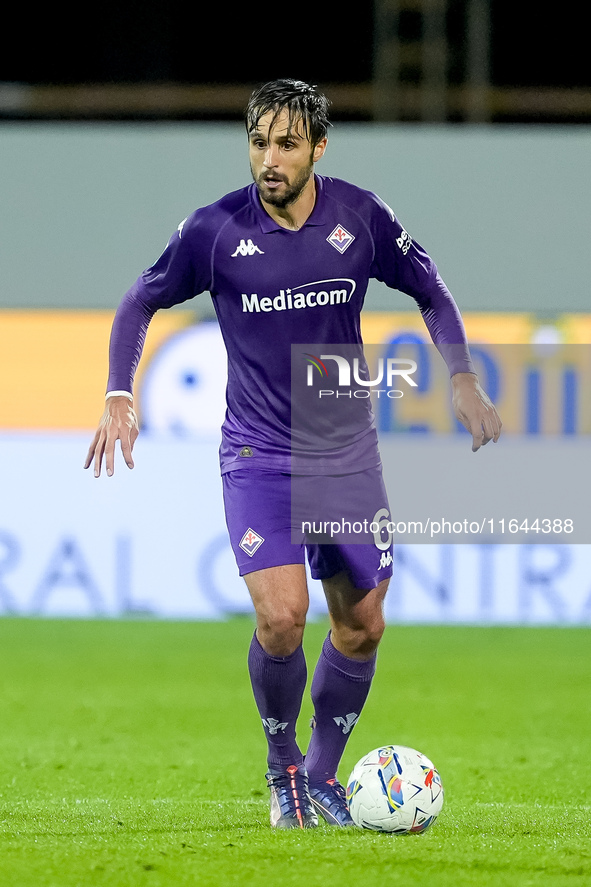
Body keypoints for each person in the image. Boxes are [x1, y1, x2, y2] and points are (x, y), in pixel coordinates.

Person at [85, 79, 501, 829]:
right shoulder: (214, 232)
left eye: (284, 144)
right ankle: (283, 776)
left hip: (340, 442)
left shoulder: (361, 218)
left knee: (362, 625)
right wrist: (120, 392)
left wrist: (463, 378)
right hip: (257, 450)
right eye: (258, 143)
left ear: (317, 147)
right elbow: (138, 300)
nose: (268, 159)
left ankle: (321, 776)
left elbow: (430, 287)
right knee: (282, 618)